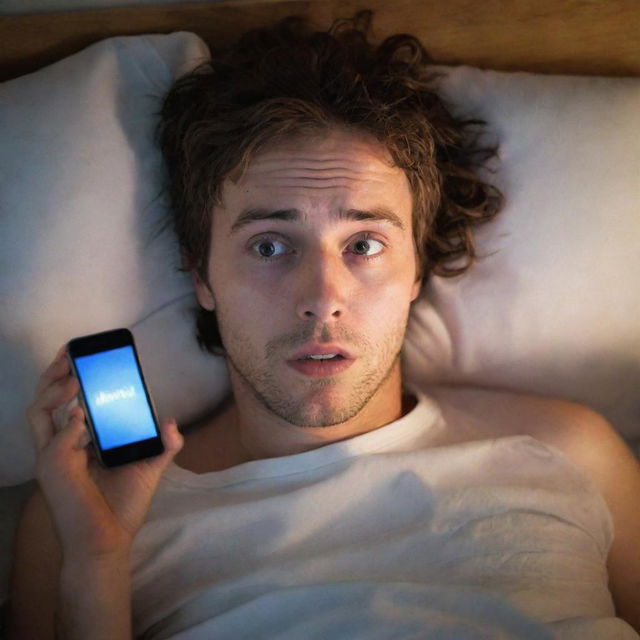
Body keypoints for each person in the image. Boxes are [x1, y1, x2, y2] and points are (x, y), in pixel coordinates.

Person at [8, 11, 640, 639]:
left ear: (417, 268)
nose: (321, 299)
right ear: (201, 276)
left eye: (364, 244)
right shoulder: (84, 516)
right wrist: (99, 564)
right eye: (268, 246)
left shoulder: (570, 453)